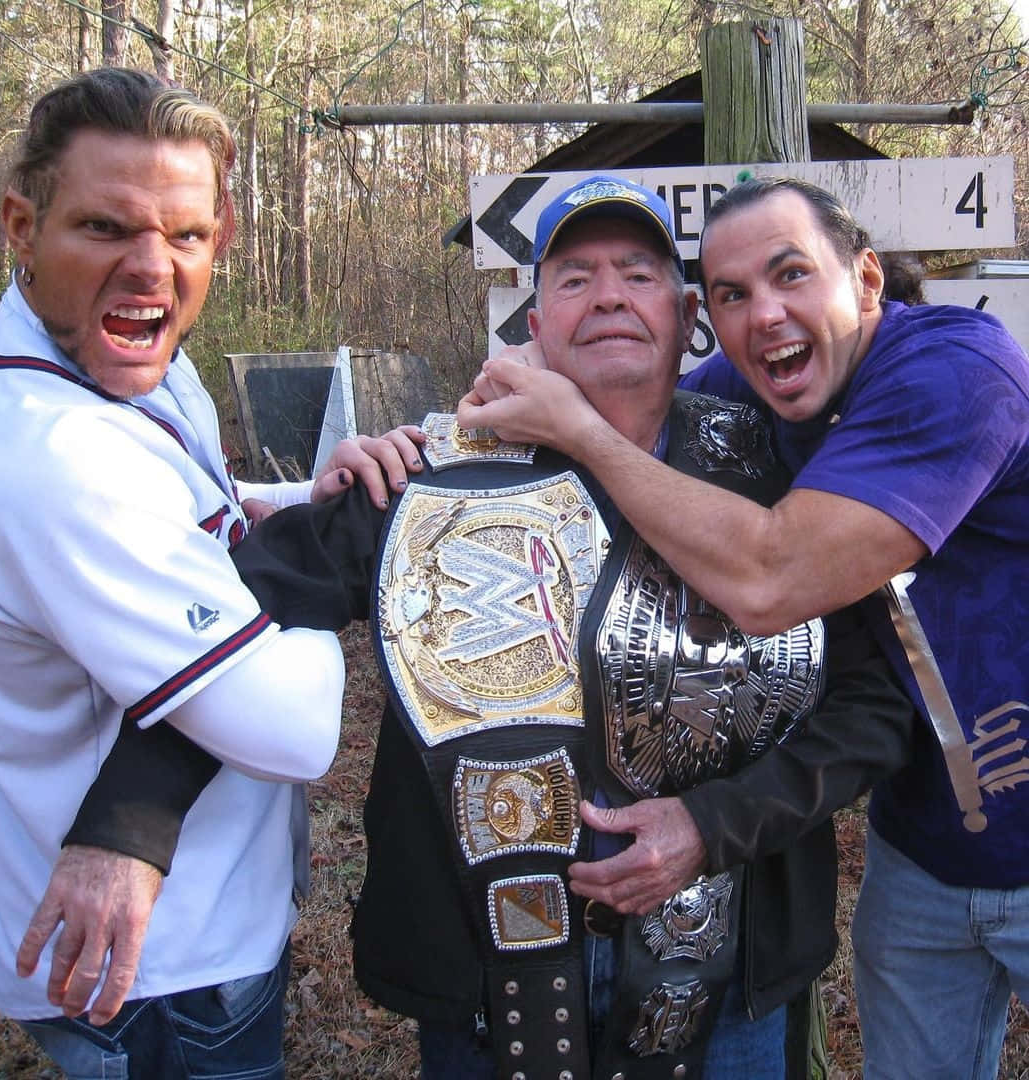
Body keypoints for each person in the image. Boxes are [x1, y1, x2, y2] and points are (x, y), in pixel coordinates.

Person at [66, 175, 914, 1078]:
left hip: (732, 971)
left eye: (638, 271)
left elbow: (874, 702)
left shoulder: (776, 478)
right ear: (536, 324)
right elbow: (243, 617)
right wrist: (127, 827)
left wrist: (716, 826)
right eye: (576, 277)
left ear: (688, 315)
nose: (611, 296)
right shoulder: (424, 479)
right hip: (491, 986)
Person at [461, 176, 1029, 1079]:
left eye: (792, 274)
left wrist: (577, 427)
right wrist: (391, 457)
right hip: (926, 851)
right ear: (707, 318)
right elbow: (627, 389)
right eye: (731, 295)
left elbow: (773, 578)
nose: (765, 315)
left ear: (868, 278)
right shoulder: (755, 386)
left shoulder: (959, 373)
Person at [0, 67, 409, 1079]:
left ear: (221, 238)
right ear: (22, 228)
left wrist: (296, 501)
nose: (152, 269)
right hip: (157, 977)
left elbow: (196, 524)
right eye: (106, 229)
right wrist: (334, 549)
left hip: (165, 937)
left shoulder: (126, 362)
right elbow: (290, 728)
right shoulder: (55, 456)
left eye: (186, 235)